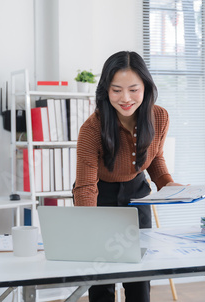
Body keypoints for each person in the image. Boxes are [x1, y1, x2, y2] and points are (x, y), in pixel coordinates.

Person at [72, 50, 180, 302]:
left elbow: (155, 159)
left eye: (133, 89)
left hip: (137, 195)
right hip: (99, 196)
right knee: (102, 280)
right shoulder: (92, 128)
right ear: (106, 91)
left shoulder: (159, 117)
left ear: (146, 88)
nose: (126, 98)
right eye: (116, 90)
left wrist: (170, 186)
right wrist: (89, 226)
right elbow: (86, 185)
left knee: (139, 276)